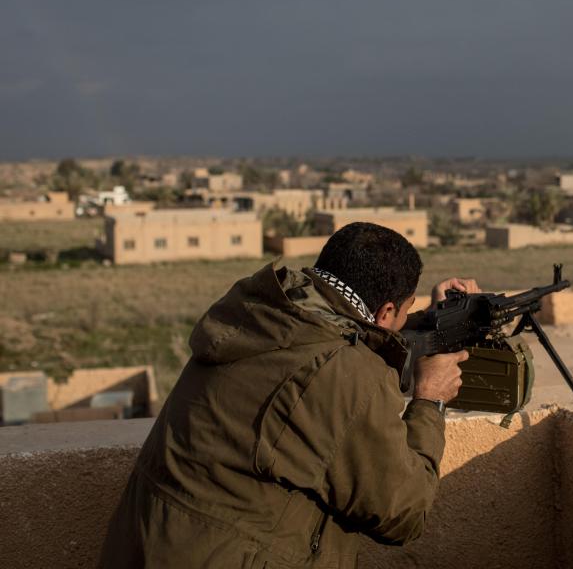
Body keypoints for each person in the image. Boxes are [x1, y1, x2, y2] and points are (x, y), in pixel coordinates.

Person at [100, 222, 477, 568]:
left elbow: (352, 330)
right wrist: (430, 400)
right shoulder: (342, 374)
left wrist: (430, 319)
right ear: (386, 311)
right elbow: (404, 513)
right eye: (403, 312)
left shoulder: (263, 314)